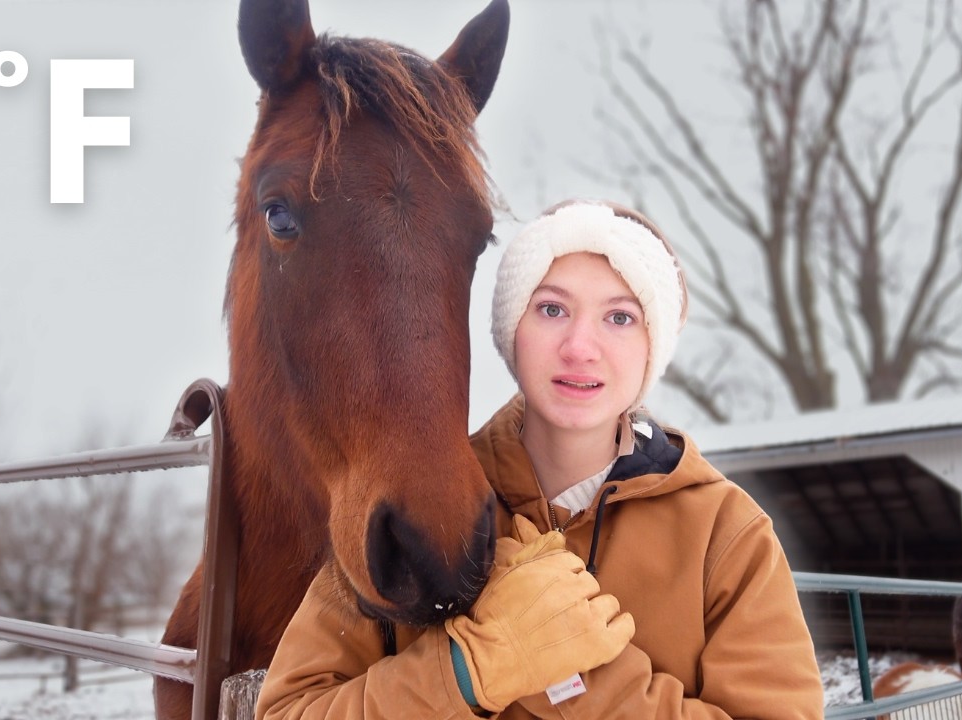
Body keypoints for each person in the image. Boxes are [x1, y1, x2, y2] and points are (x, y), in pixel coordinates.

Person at [256, 200, 825, 719]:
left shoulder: (725, 533)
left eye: (620, 317)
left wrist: (583, 679)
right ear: (513, 330)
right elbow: (287, 711)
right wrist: (468, 669)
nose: (581, 345)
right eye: (552, 309)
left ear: (652, 347)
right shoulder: (418, 503)